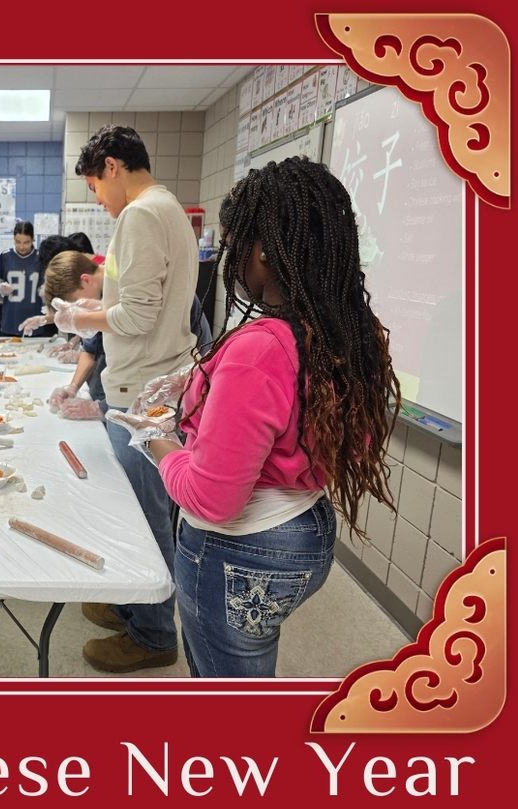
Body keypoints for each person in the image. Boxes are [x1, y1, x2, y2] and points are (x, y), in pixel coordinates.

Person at [109, 156, 402, 678]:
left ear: (264, 251)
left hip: (241, 552)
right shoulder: (341, 333)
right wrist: (206, 381)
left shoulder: (261, 347)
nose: (230, 255)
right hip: (305, 530)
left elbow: (210, 498)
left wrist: (157, 438)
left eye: (236, 240)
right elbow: (327, 434)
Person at [54, 124, 199, 673]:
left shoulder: (141, 213)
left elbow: (136, 316)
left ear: (111, 166)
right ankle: (128, 603)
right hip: (149, 386)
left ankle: (154, 633)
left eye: (94, 185)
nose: (98, 198)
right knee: (143, 508)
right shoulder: (166, 209)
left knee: (146, 518)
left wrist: (76, 317)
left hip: (146, 391)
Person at [43, 251, 107, 416]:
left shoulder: (124, 291)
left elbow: (138, 359)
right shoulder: (97, 294)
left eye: (75, 305)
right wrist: (72, 388)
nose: (77, 310)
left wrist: (103, 407)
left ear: (86, 280)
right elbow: (91, 349)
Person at [0, 221, 52, 336]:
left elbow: (50, 283)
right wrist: (0, 287)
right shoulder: (5, 256)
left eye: (26, 242)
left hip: (34, 319)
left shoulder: (40, 257)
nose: (21, 247)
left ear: (33, 239)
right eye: (17, 242)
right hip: (10, 320)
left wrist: (46, 290)